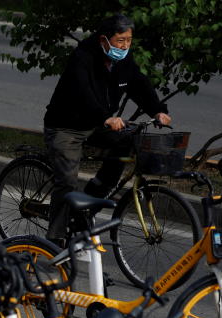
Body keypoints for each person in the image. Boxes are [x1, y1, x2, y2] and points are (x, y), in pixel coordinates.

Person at [42, 12, 172, 241]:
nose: (124, 46)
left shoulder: (123, 61)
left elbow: (139, 85)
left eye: (128, 40)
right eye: (120, 41)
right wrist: (106, 117)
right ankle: (55, 239)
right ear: (104, 40)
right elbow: (83, 92)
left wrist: (158, 110)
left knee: (126, 144)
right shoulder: (83, 56)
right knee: (68, 182)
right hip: (66, 126)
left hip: (97, 123)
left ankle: (88, 205)